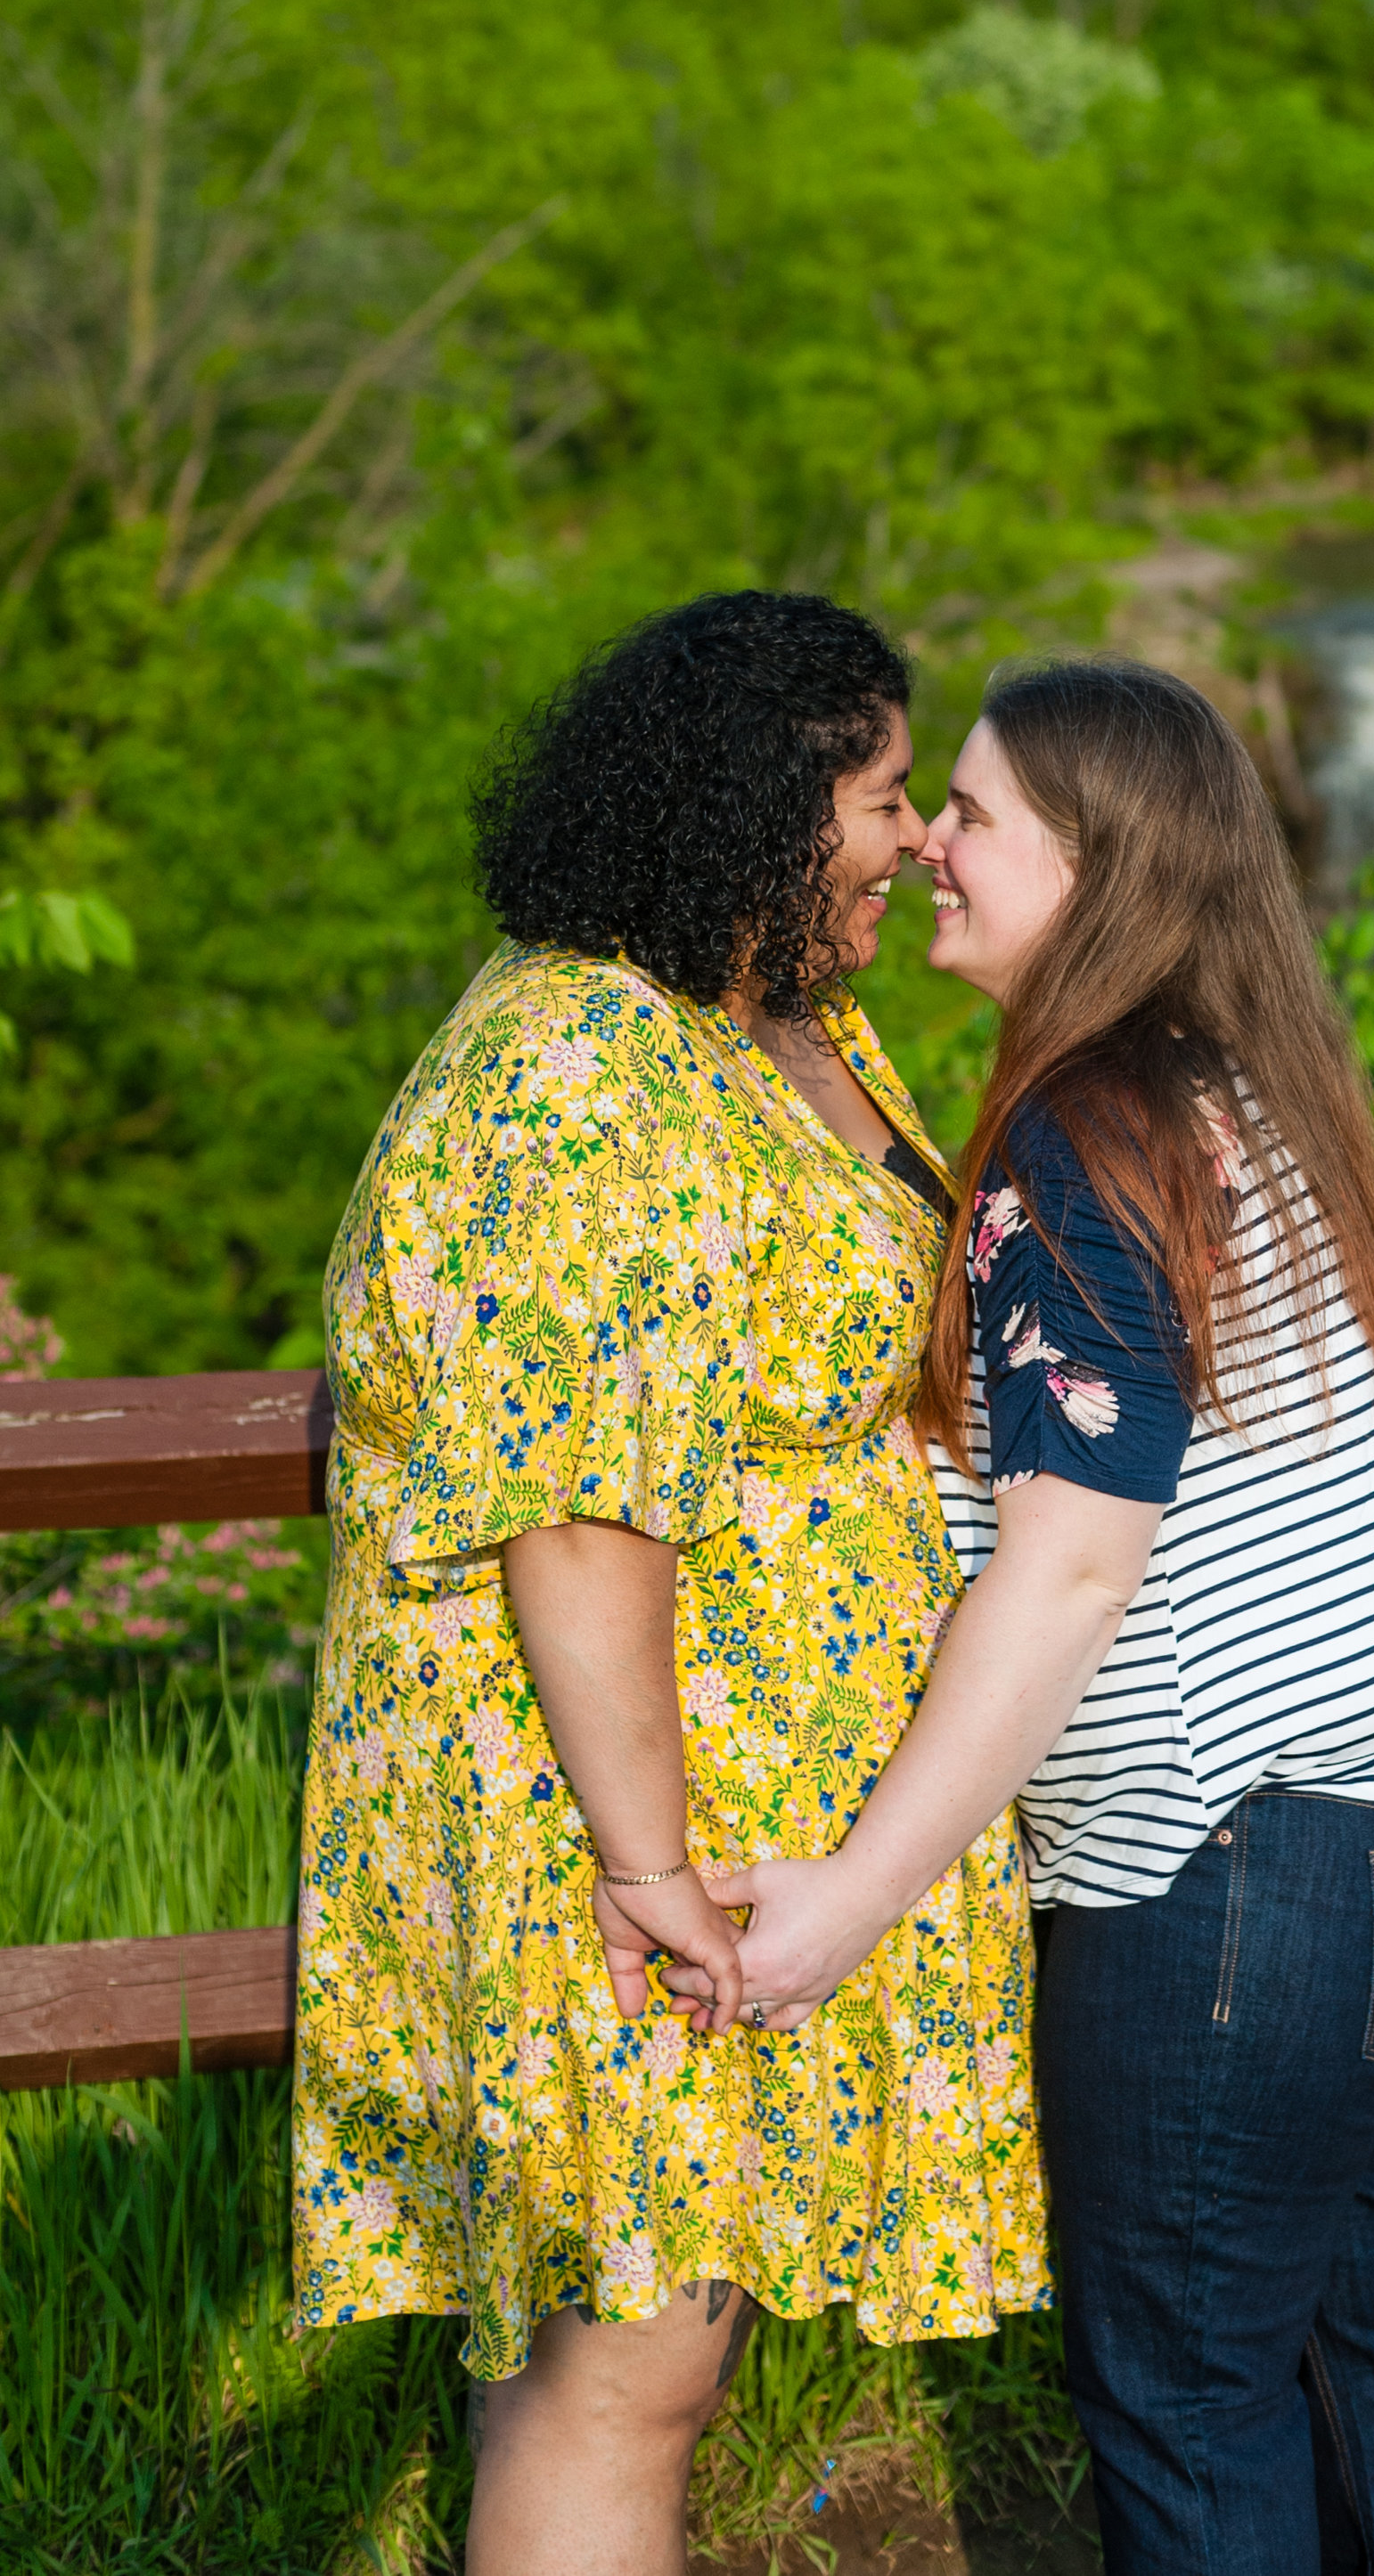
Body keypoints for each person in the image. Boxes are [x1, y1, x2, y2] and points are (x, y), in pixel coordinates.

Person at [710, 657, 1374, 2576]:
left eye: (974, 813)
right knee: (1361, 2314)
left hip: (1242, 1840)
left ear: (1101, 870)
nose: (928, 840)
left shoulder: (1076, 1141)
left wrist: (847, 1893)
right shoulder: (1218, 1077)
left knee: (1187, 2391)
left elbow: (1071, 1561)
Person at [290, 591, 1049, 2576]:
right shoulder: (577, 1066)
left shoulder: (781, 1023)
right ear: (756, 802)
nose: (913, 841)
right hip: (607, 1807)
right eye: (885, 797)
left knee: (652, 2346)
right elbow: (579, 1509)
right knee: (620, 2364)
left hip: (752, 1797)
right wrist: (647, 1861)